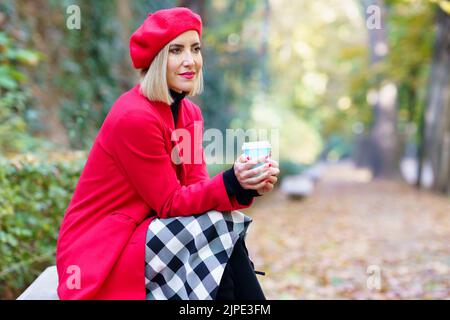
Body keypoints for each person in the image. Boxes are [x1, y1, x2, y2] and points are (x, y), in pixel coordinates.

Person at [56, 7, 279, 300]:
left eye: (195, 49)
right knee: (219, 224)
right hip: (101, 253)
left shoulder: (190, 113)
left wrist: (245, 183)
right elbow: (170, 202)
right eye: (176, 50)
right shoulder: (134, 116)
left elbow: (197, 189)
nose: (190, 61)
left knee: (220, 221)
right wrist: (231, 182)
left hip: (145, 238)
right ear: (157, 59)